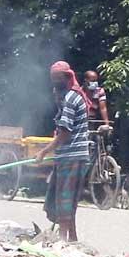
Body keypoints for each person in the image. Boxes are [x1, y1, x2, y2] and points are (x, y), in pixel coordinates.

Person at [36, 61, 92, 242]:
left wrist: (44, 151)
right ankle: (73, 239)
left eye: (56, 79)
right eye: (52, 80)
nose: (54, 84)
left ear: (66, 77)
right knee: (69, 201)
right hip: (77, 155)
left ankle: (61, 241)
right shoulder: (76, 96)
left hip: (70, 155)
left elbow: (65, 132)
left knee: (63, 201)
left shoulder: (70, 98)